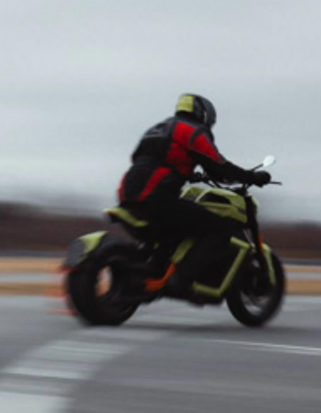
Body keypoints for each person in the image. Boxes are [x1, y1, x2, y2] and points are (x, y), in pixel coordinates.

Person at [116, 93, 270, 298]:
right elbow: (219, 165)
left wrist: (187, 172)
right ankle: (182, 279)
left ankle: (152, 271)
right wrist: (252, 176)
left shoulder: (156, 129)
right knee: (219, 228)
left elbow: (150, 158)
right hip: (156, 197)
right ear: (203, 114)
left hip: (128, 194)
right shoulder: (192, 132)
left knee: (173, 230)